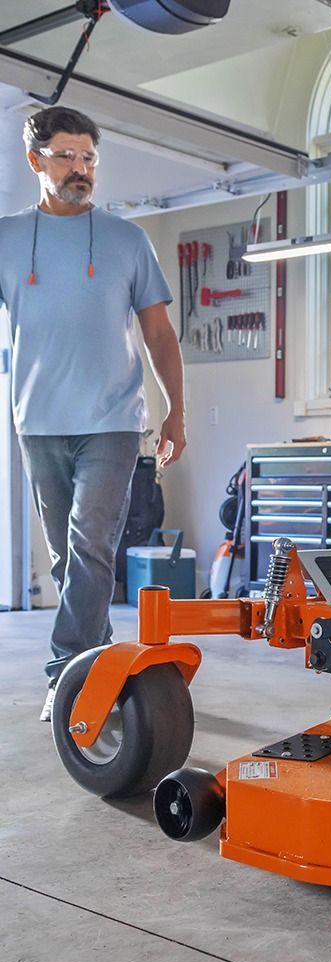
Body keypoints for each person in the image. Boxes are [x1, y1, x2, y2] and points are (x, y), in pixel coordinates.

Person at [0, 106, 186, 722]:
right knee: (67, 555)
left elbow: (159, 334)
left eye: (89, 159)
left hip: (112, 419)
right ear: (36, 161)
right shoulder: (5, 238)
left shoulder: (126, 240)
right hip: (37, 421)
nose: (81, 169)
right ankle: (96, 655)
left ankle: (66, 675)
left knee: (91, 546)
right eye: (67, 156)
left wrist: (175, 411)